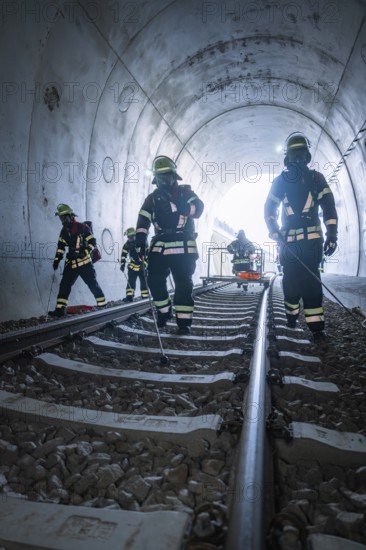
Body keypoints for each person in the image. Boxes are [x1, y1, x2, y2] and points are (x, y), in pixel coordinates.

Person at [264, 132, 338, 340]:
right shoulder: (280, 182)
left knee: (313, 285)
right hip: (288, 246)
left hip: (312, 244)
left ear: (307, 157)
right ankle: (291, 316)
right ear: (288, 158)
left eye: (301, 154)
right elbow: (269, 209)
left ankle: (316, 329)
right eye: (294, 155)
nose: (298, 159)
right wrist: (274, 230)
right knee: (291, 284)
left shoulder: (317, 179)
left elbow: (329, 208)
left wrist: (332, 234)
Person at [135, 155, 204, 334]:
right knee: (154, 281)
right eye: (160, 177)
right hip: (160, 246)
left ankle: (184, 323)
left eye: (167, 176)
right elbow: (143, 219)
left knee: (183, 285)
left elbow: (199, 208)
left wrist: (180, 207)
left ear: (174, 176)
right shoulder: (152, 198)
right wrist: (140, 241)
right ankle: (164, 312)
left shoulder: (185, 193)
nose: (164, 181)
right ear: (155, 179)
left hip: (183, 246)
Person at [49, 204, 106, 317]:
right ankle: (60, 310)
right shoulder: (64, 231)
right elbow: (60, 248)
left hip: (85, 263)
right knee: (64, 285)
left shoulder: (83, 227)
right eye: (61, 218)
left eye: (64, 217)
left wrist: (84, 252)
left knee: (92, 284)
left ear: (70, 216)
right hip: (71, 264)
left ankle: (102, 305)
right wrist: (56, 260)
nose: (62, 220)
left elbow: (92, 243)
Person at [120, 227, 149, 302]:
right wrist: (122, 264)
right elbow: (123, 255)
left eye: (132, 237)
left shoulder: (142, 243)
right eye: (129, 237)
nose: (130, 239)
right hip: (132, 267)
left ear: (135, 235)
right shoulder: (127, 245)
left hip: (141, 267)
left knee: (144, 283)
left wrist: (144, 264)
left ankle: (145, 297)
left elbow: (148, 255)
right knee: (130, 282)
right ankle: (129, 296)